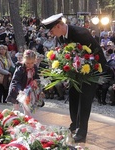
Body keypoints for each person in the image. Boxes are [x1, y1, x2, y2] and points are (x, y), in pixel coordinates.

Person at [41, 13, 107, 143]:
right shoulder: (61, 37)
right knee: (73, 97)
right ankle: (74, 125)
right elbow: (67, 53)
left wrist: (82, 65)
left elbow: (95, 53)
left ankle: (82, 133)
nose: (52, 33)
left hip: (91, 70)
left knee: (85, 101)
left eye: (52, 30)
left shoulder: (80, 33)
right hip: (76, 72)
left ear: (59, 26)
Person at [6, 50, 44, 116]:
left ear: (35, 61)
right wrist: (19, 90)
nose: (30, 65)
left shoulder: (34, 68)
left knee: (27, 109)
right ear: (24, 60)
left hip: (27, 91)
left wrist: (39, 88)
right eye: (27, 63)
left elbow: (36, 78)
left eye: (32, 63)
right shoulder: (20, 68)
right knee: (16, 109)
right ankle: (12, 120)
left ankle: (26, 121)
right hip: (17, 90)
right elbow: (15, 81)